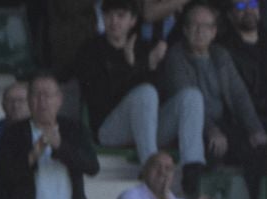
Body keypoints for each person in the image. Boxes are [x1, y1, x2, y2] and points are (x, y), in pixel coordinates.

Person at [74, 0, 206, 174]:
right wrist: (131, 67)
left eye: (121, 16)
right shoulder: (91, 50)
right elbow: (101, 97)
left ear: (133, 21)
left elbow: (159, 94)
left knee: (191, 96)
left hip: (145, 128)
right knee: (145, 93)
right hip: (109, 129)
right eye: (109, 15)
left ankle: (193, 167)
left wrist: (147, 66)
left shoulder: (142, 47)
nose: (114, 21)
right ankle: (151, 168)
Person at [159, 0, 267, 193]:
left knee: (257, 149)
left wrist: (255, 128)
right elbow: (187, 101)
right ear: (185, 29)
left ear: (214, 32)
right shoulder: (176, 56)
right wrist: (212, 130)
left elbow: (239, 96)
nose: (200, 31)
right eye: (194, 25)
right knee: (214, 149)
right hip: (191, 129)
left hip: (222, 124)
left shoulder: (220, 55)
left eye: (206, 26)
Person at [222, 0, 267, 132]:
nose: (249, 10)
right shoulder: (224, 49)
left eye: (253, 4)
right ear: (229, 14)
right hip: (251, 119)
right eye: (241, 6)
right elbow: (238, 97)